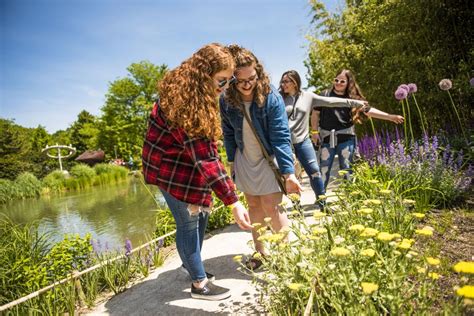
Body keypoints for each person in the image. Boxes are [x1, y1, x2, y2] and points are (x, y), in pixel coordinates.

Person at [142, 43, 252, 301]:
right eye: (221, 81)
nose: (224, 88)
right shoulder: (183, 103)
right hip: (168, 170)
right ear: (204, 75)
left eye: (228, 81)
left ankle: (189, 263)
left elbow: (205, 153)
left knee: (201, 215)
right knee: (189, 222)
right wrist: (233, 201)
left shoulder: (197, 94)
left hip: (185, 163)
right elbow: (205, 157)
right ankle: (199, 284)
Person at [219, 45, 302, 270]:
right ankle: (261, 252)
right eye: (241, 80)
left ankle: (286, 256)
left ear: (259, 73)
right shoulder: (226, 100)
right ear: (232, 79)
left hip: (268, 157)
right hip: (245, 158)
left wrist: (288, 173)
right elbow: (227, 132)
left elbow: (281, 136)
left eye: (252, 79)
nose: (247, 85)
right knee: (254, 205)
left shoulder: (271, 96)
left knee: (272, 206)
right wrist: (231, 160)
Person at [279, 70, 367, 207]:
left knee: (314, 171)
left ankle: (323, 204)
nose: (283, 84)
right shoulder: (278, 98)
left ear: (295, 82)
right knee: (293, 175)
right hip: (285, 143)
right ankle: (296, 206)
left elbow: (331, 101)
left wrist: (355, 103)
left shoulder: (308, 96)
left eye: (286, 81)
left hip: (303, 141)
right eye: (282, 81)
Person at [311, 69, 404, 189]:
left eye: (342, 81)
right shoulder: (324, 95)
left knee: (347, 169)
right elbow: (315, 114)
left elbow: (369, 111)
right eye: (336, 80)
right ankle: (321, 199)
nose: (338, 83)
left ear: (348, 83)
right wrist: (314, 132)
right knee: (323, 168)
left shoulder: (353, 98)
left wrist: (390, 117)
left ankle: (351, 198)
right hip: (327, 138)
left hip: (346, 139)